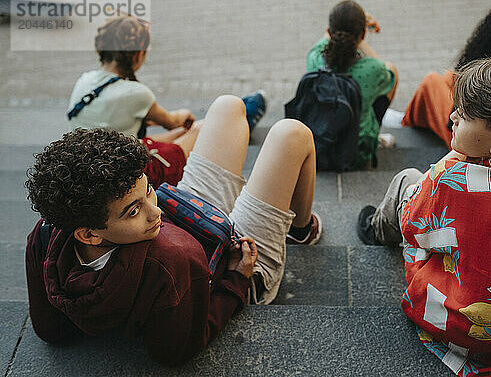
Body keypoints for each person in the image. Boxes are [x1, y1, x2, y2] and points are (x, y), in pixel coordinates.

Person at [26, 95, 322, 366]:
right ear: (89, 234)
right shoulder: (171, 259)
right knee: (293, 134)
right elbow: (175, 352)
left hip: (190, 216)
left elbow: (50, 329)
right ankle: (301, 229)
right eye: (133, 210)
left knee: (228, 106)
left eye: (149, 191)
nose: (155, 211)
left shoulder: (47, 231)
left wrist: (139, 210)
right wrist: (237, 281)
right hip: (233, 265)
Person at [357, 57, 491, 376]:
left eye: (464, 115)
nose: (452, 116)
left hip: (466, 325)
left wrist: (451, 162)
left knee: (407, 180)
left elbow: (414, 229)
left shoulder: (450, 181)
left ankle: (377, 228)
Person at [67, 15, 267, 187]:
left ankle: (236, 122)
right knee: (200, 128)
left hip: (99, 161)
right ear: (138, 54)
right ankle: (240, 123)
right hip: (130, 170)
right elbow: (172, 121)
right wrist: (183, 113)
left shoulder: (84, 79)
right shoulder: (135, 92)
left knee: (198, 129)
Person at [401, 1, 491, 149]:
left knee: (431, 82)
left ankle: (406, 125)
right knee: (449, 77)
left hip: (473, 142)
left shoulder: (485, 79)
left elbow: (456, 117)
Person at [306, 0, 399, 167]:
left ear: (329, 30)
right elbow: (387, 74)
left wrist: (348, 24)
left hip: (321, 144)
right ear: (363, 35)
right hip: (357, 153)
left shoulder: (314, 58)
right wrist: (361, 32)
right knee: (392, 70)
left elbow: (326, 37)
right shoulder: (372, 69)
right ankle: (374, 136)